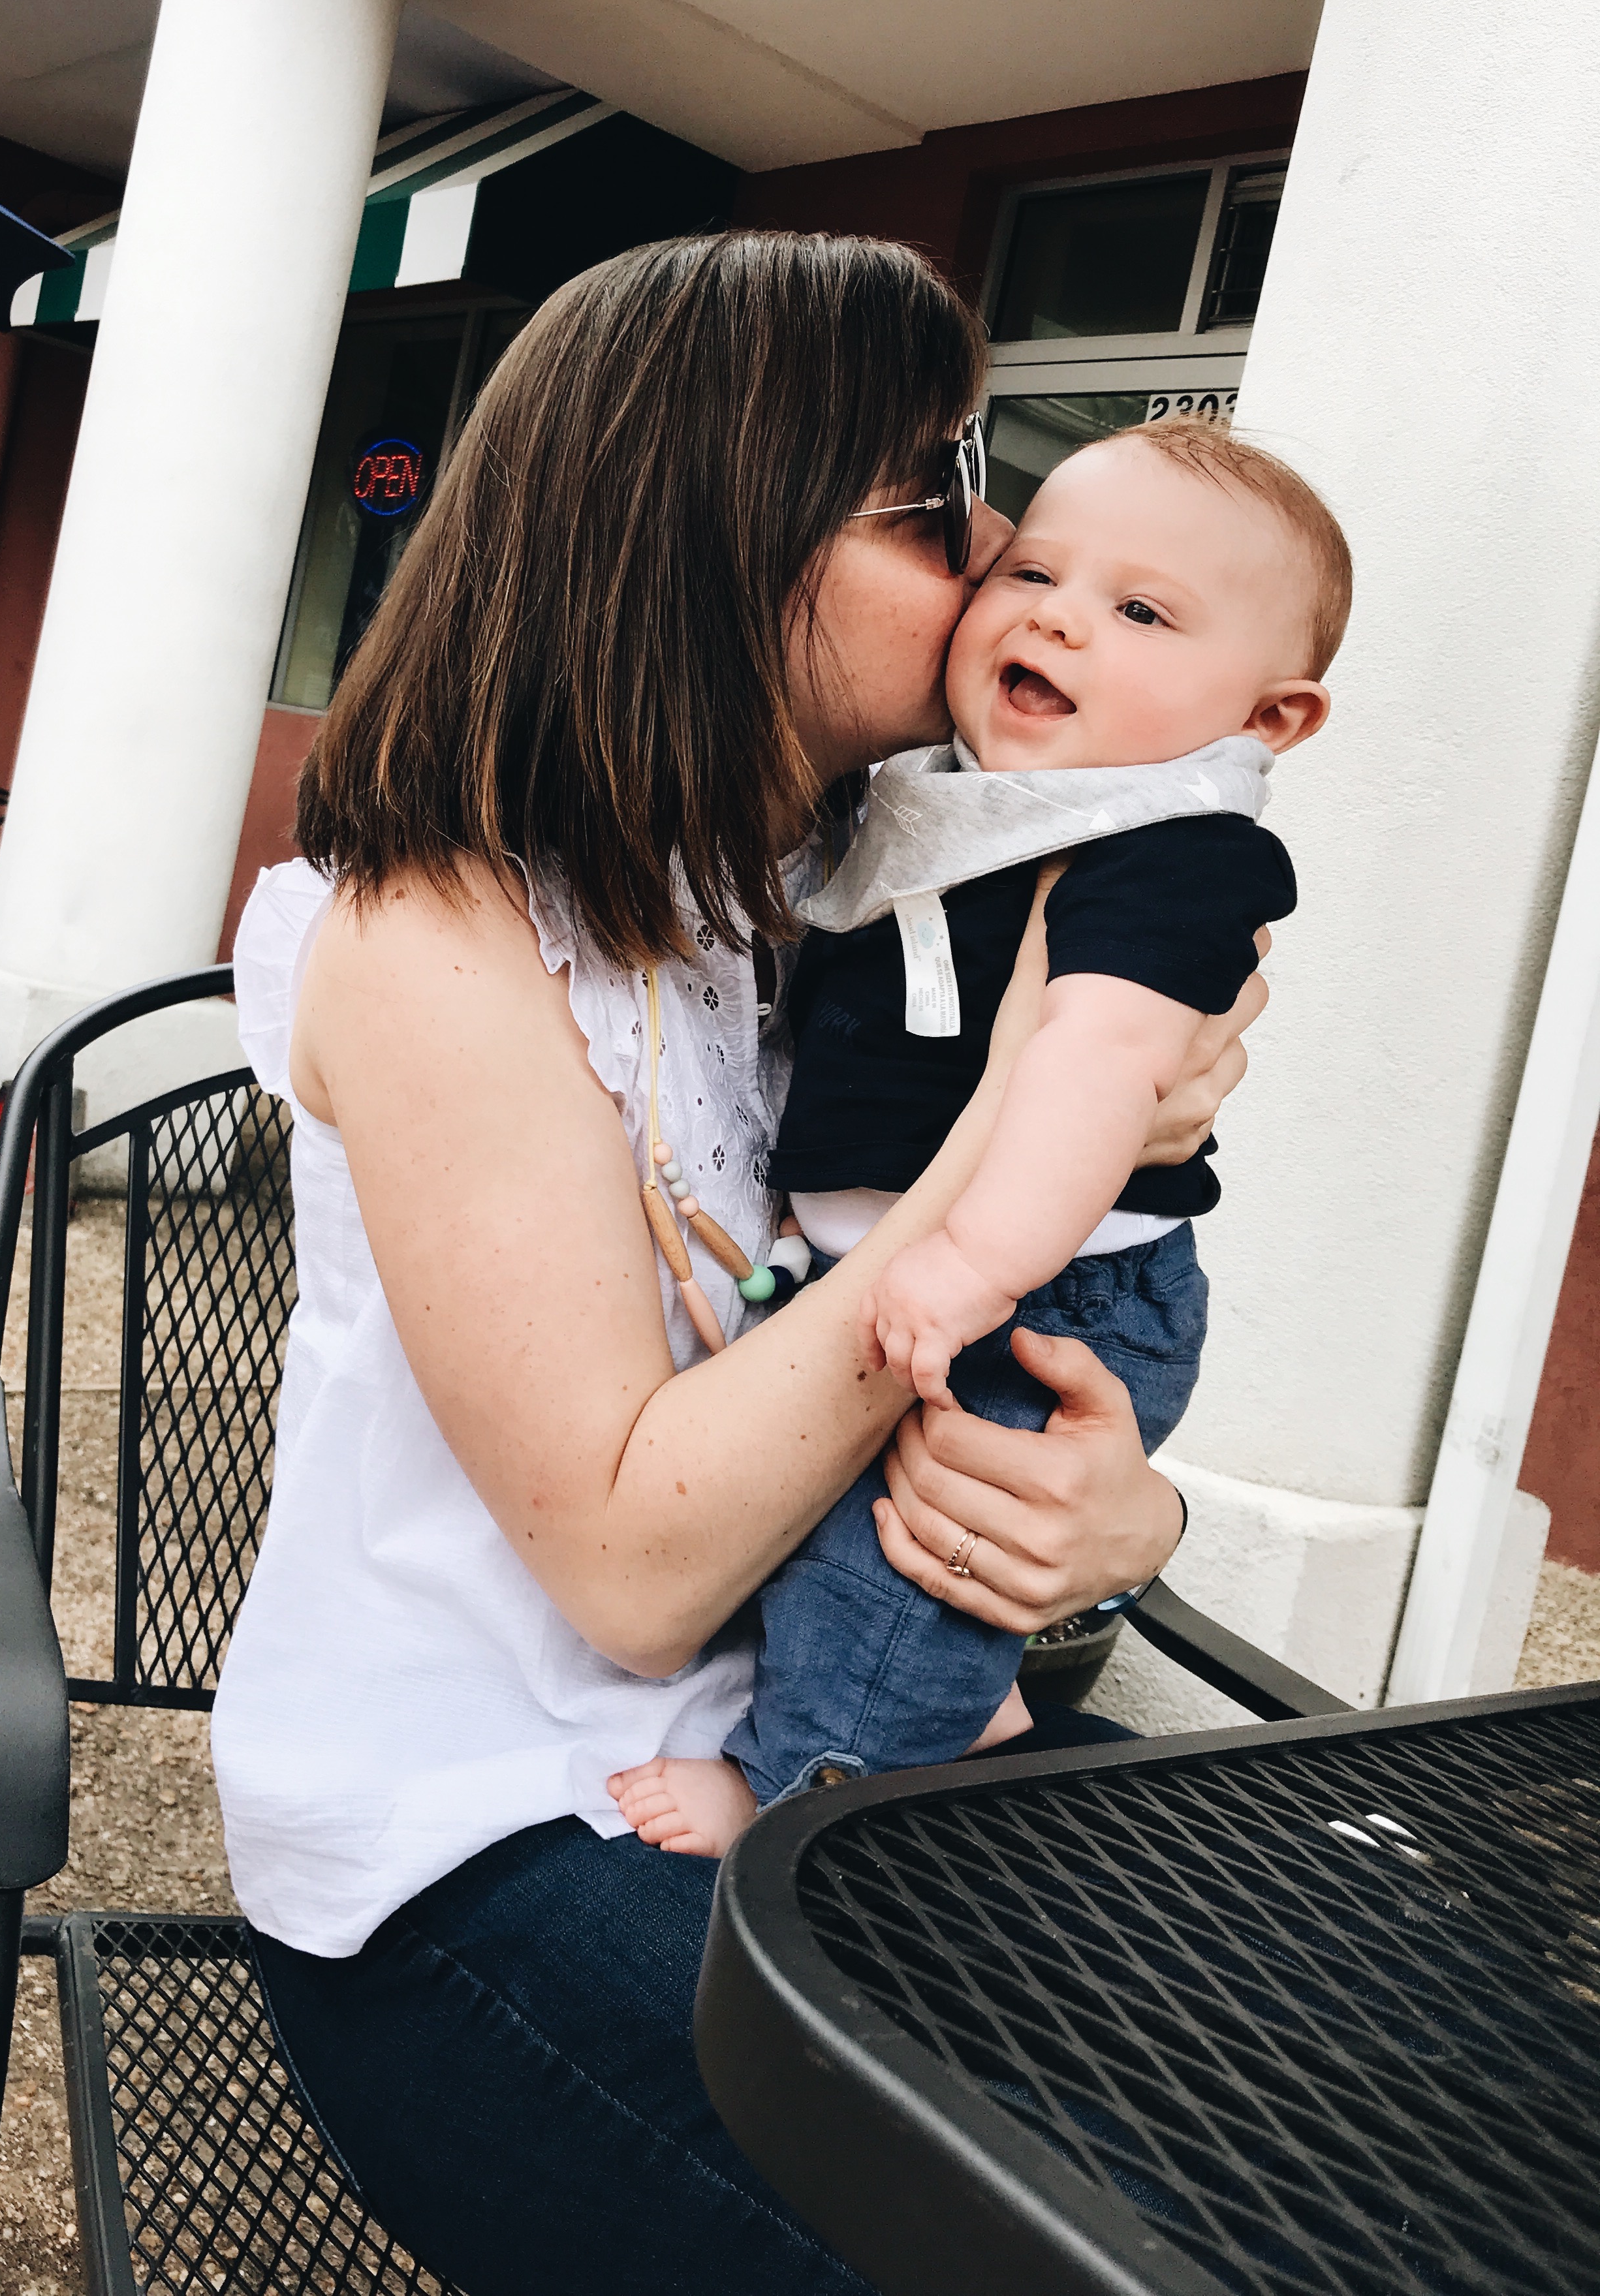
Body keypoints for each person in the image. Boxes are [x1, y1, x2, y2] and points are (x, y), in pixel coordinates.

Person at [215, 234, 1268, 2296]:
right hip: (487, 1848)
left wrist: (1110, 1529)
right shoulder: (435, 935)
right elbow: (632, 1566)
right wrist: (1016, 1135)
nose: (1002, 558)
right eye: (937, 493)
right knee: (1100, 2245)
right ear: (718, 535)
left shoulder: (849, 901)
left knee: (1400, 2053)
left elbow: (1042, 1352)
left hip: (805, 1755)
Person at [612, 418, 1347, 1861]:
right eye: (1037, 573)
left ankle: (805, 1797)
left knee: (891, 1569)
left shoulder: (1169, 846)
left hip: (1047, 1290)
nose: (1059, 618)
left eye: (1141, 613)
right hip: (912, 1272)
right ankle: (968, 1712)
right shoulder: (947, 802)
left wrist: (976, 1263)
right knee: (838, 1541)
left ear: (1269, 719)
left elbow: (1096, 1065)